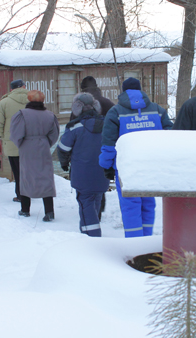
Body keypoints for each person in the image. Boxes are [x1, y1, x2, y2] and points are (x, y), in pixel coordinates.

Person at [99, 77, 173, 237]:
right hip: (151, 166)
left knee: (130, 206)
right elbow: (171, 137)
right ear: (140, 90)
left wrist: (106, 165)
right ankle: (146, 241)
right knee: (148, 203)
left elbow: (109, 144)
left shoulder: (115, 112)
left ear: (124, 91)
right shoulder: (157, 110)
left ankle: (135, 244)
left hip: (126, 168)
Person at [58, 93, 108, 237]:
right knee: (96, 201)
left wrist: (64, 164)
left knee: (86, 204)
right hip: (103, 173)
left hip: (82, 174)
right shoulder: (107, 125)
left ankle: (92, 238)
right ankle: (89, 233)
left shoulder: (74, 128)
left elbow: (63, 149)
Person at [69, 76, 115, 220]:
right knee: (101, 179)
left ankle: (91, 212)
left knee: (86, 181)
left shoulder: (79, 105)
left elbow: (71, 127)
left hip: (84, 150)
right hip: (105, 148)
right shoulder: (108, 103)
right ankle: (99, 208)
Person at [10, 90, 60, 222]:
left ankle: (25, 209)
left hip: (27, 147)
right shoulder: (50, 115)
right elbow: (54, 135)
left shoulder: (22, 115)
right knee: (45, 177)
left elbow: (16, 135)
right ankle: (49, 211)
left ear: (29, 99)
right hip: (43, 147)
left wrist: (22, 144)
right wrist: (45, 142)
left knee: (26, 176)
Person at [0, 79, 29, 202]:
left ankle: (20, 195)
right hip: (31, 142)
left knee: (17, 170)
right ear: (24, 87)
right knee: (28, 169)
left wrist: (3, 135)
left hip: (12, 141)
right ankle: (30, 193)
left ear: (11, 89)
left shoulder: (4, 102)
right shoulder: (33, 100)